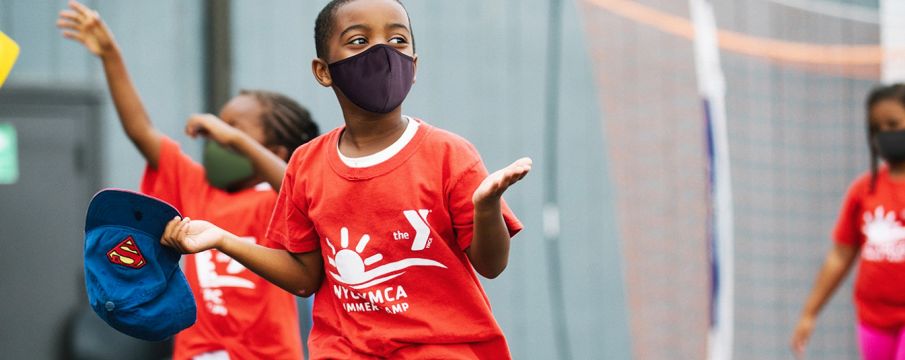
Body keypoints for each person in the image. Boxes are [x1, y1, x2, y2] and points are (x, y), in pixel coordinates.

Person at [160, 0, 532, 358]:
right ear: (323, 71)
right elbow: (305, 278)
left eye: (397, 40)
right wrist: (224, 240)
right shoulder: (306, 164)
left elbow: (491, 265)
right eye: (359, 40)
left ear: (414, 66)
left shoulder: (451, 154)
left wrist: (486, 209)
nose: (383, 52)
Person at [57, 1, 322, 358]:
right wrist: (110, 55)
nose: (218, 138)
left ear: (274, 152)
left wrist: (233, 139)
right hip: (197, 352)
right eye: (219, 130)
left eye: (234, 129)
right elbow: (141, 131)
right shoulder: (196, 187)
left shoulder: (276, 200)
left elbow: (298, 190)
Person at [792, 84, 905, 360]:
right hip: (873, 317)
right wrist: (810, 311)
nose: (885, 133)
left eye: (894, 124)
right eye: (877, 128)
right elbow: (840, 255)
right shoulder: (864, 190)